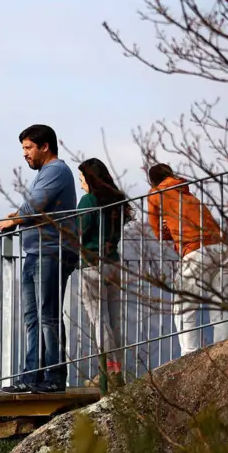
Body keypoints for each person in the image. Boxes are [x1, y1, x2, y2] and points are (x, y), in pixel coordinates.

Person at [0, 124, 79, 394]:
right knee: (34, 317)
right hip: (37, 251)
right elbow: (31, 206)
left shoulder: (56, 170)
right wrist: (18, 215)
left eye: (28, 147)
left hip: (51, 251)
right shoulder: (46, 172)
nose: (24, 154)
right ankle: (32, 377)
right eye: (23, 148)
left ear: (45, 147)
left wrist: (14, 219)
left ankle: (54, 377)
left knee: (48, 316)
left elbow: (34, 206)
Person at [145, 163, 228, 356]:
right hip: (223, 249)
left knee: (183, 305)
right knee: (220, 305)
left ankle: (189, 355)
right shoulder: (187, 193)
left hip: (196, 251)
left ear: (153, 180)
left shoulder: (156, 194)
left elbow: (158, 232)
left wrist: (168, 229)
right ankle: (226, 352)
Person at [76, 157, 131, 388]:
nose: (80, 184)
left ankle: (107, 372)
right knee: (114, 320)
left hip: (92, 264)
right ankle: (118, 369)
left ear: (89, 179)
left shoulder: (89, 200)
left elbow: (78, 228)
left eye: (81, 179)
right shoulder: (116, 201)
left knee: (100, 320)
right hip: (113, 265)